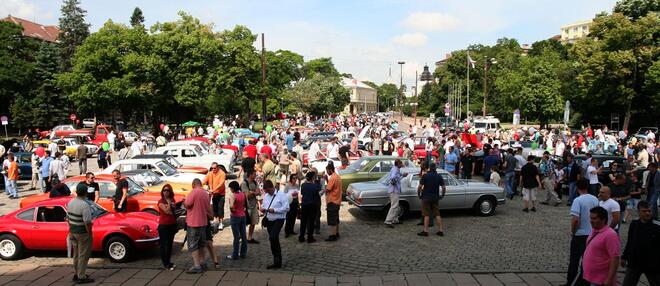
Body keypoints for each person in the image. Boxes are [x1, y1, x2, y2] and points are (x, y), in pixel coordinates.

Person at [565, 179, 599, 286]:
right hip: (592, 233)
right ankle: (585, 280)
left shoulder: (578, 200)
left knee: (574, 260)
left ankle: (571, 282)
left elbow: (575, 219)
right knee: (587, 260)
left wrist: (573, 231)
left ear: (577, 188)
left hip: (580, 235)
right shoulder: (595, 199)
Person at [621, 200, 660, 286]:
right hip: (634, 263)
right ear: (638, 212)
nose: (647, 213)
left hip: (652, 264)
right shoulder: (634, 224)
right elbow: (630, 242)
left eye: (649, 211)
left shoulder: (657, 227)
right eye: (644, 211)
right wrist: (624, 257)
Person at [582, 206, 620, 286]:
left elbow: (615, 258)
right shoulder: (594, 230)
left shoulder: (610, 235)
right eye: (590, 218)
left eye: (594, 218)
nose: (591, 221)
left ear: (603, 219)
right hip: (592, 277)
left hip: (601, 280)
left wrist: (609, 279)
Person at [67, 183, 95, 284]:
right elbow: (87, 222)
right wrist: (90, 234)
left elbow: (68, 219)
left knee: (76, 254)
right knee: (83, 255)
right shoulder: (84, 205)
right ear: (85, 193)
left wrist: (70, 230)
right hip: (82, 233)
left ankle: (76, 273)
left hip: (73, 231)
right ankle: (81, 276)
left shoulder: (71, 202)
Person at [184, 179, 212, 274]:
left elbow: (187, 204)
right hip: (203, 221)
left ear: (193, 184)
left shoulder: (194, 192)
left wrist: (184, 202)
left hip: (194, 222)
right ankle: (203, 262)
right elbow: (208, 208)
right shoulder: (205, 193)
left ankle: (197, 265)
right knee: (202, 243)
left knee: (193, 244)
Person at [260, 180, 289, 269]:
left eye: (268, 190)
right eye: (266, 191)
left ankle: (278, 259)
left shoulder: (281, 195)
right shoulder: (266, 196)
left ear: (272, 187)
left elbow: (287, 208)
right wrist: (263, 209)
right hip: (269, 219)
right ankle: (276, 260)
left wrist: (275, 210)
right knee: (273, 239)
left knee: (273, 237)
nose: (268, 193)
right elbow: (264, 206)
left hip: (279, 219)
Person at [417, 163, 446, 236]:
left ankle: (425, 231)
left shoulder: (425, 176)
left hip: (426, 197)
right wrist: (442, 195)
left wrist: (419, 194)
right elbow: (443, 187)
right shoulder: (439, 176)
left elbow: (419, 187)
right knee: (437, 214)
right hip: (435, 197)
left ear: (429, 168)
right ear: (435, 168)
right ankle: (440, 230)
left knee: (426, 214)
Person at [157, 184, 178, 271]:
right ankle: (165, 264)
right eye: (164, 190)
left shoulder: (173, 199)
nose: (166, 192)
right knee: (164, 245)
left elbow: (174, 210)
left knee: (169, 244)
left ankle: (168, 262)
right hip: (164, 225)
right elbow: (167, 211)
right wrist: (169, 203)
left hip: (172, 224)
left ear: (170, 191)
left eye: (167, 190)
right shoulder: (161, 201)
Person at [227, 181, 248, 260]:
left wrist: (232, 210)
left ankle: (235, 254)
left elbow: (232, 206)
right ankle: (243, 253)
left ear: (233, 188)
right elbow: (244, 205)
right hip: (243, 216)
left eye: (230, 188)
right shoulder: (242, 194)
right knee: (243, 236)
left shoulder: (233, 196)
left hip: (235, 217)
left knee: (236, 237)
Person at [384, 159, 408, 228]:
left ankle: (395, 219)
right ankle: (388, 221)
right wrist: (394, 181)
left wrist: (403, 175)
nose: (402, 165)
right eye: (401, 164)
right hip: (394, 190)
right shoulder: (395, 169)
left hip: (394, 190)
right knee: (394, 206)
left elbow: (397, 175)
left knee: (395, 205)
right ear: (398, 164)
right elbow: (393, 177)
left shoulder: (396, 169)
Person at [299, 172, 321, 243]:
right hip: (312, 205)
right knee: (311, 222)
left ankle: (301, 237)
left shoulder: (303, 185)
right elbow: (317, 194)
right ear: (312, 178)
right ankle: (310, 237)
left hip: (304, 205)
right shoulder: (315, 186)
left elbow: (302, 193)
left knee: (303, 222)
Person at [204, 162, 226, 230]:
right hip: (213, 194)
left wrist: (213, 190)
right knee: (214, 208)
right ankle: (216, 221)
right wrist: (204, 187)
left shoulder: (222, 173)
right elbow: (204, 181)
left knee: (220, 208)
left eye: (214, 168)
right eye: (212, 168)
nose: (213, 169)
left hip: (220, 193)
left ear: (218, 168)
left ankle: (221, 222)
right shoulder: (210, 173)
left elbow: (221, 184)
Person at [324, 163, 342, 241]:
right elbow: (333, 187)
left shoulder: (332, 178)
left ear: (330, 170)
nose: (327, 172)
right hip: (337, 200)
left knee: (332, 220)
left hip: (332, 201)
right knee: (336, 219)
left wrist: (322, 191)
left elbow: (328, 189)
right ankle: (336, 233)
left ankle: (333, 235)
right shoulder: (337, 177)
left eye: (327, 170)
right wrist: (326, 179)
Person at [241, 170, 260, 244]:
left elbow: (259, 192)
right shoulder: (244, 183)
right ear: (250, 175)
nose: (256, 175)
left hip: (254, 205)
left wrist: (252, 192)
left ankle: (250, 237)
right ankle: (242, 236)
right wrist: (254, 193)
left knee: (253, 222)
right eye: (254, 174)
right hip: (247, 206)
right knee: (244, 223)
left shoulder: (255, 182)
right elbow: (247, 196)